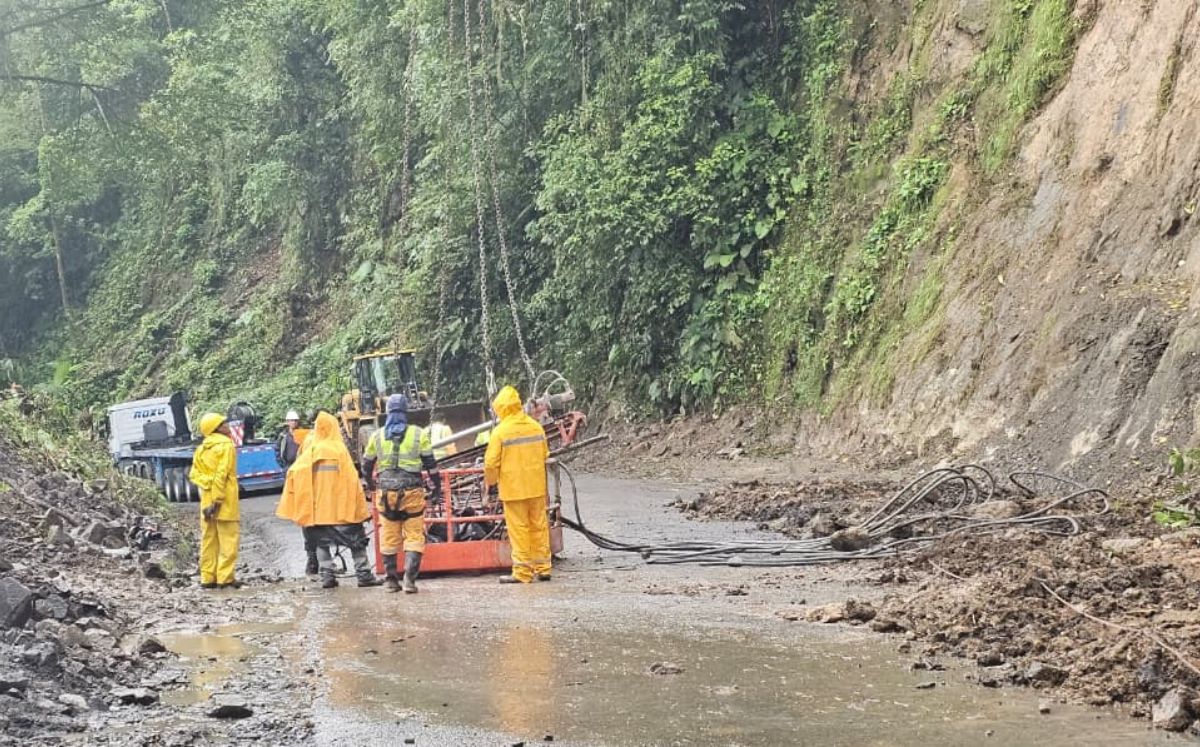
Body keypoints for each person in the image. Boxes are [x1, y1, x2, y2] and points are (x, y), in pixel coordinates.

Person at [275, 412, 381, 589]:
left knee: (322, 544)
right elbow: (352, 480)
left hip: (319, 511)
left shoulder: (311, 450)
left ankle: (327, 576)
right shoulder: (339, 450)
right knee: (357, 542)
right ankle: (363, 575)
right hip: (341, 509)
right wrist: (360, 508)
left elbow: (294, 473)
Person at [362, 394, 441, 593]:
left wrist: (372, 484)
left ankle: (391, 581)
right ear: (406, 412)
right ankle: (409, 581)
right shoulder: (418, 434)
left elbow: (366, 465)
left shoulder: (377, 436)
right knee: (414, 536)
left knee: (389, 536)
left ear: (387, 411)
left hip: (386, 494)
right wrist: (436, 488)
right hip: (412, 493)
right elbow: (431, 465)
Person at [484, 386, 552, 584]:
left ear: (501, 408)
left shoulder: (500, 432)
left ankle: (522, 572)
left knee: (519, 529)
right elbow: (544, 455)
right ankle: (543, 568)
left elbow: (490, 463)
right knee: (539, 527)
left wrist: (491, 484)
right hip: (537, 488)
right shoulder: (535, 426)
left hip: (514, 491)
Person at [189, 413, 240, 589]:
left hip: (206, 499)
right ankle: (225, 579)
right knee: (228, 539)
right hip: (223, 499)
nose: (227, 425)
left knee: (208, 539)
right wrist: (217, 500)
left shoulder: (201, 449)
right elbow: (222, 475)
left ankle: (207, 578)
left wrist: (208, 490)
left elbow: (194, 475)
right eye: (223, 423)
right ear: (216, 428)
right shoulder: (226, 446)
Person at [277, 410, 317, 575]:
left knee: (311, 526)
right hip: (298, 479)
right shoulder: (285, 438)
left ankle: (316, 561)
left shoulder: (306, 436)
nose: (292, 423)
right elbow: (279, 454)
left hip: (305, 483)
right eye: (290, 421)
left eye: (294, 421)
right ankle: (315, 560)